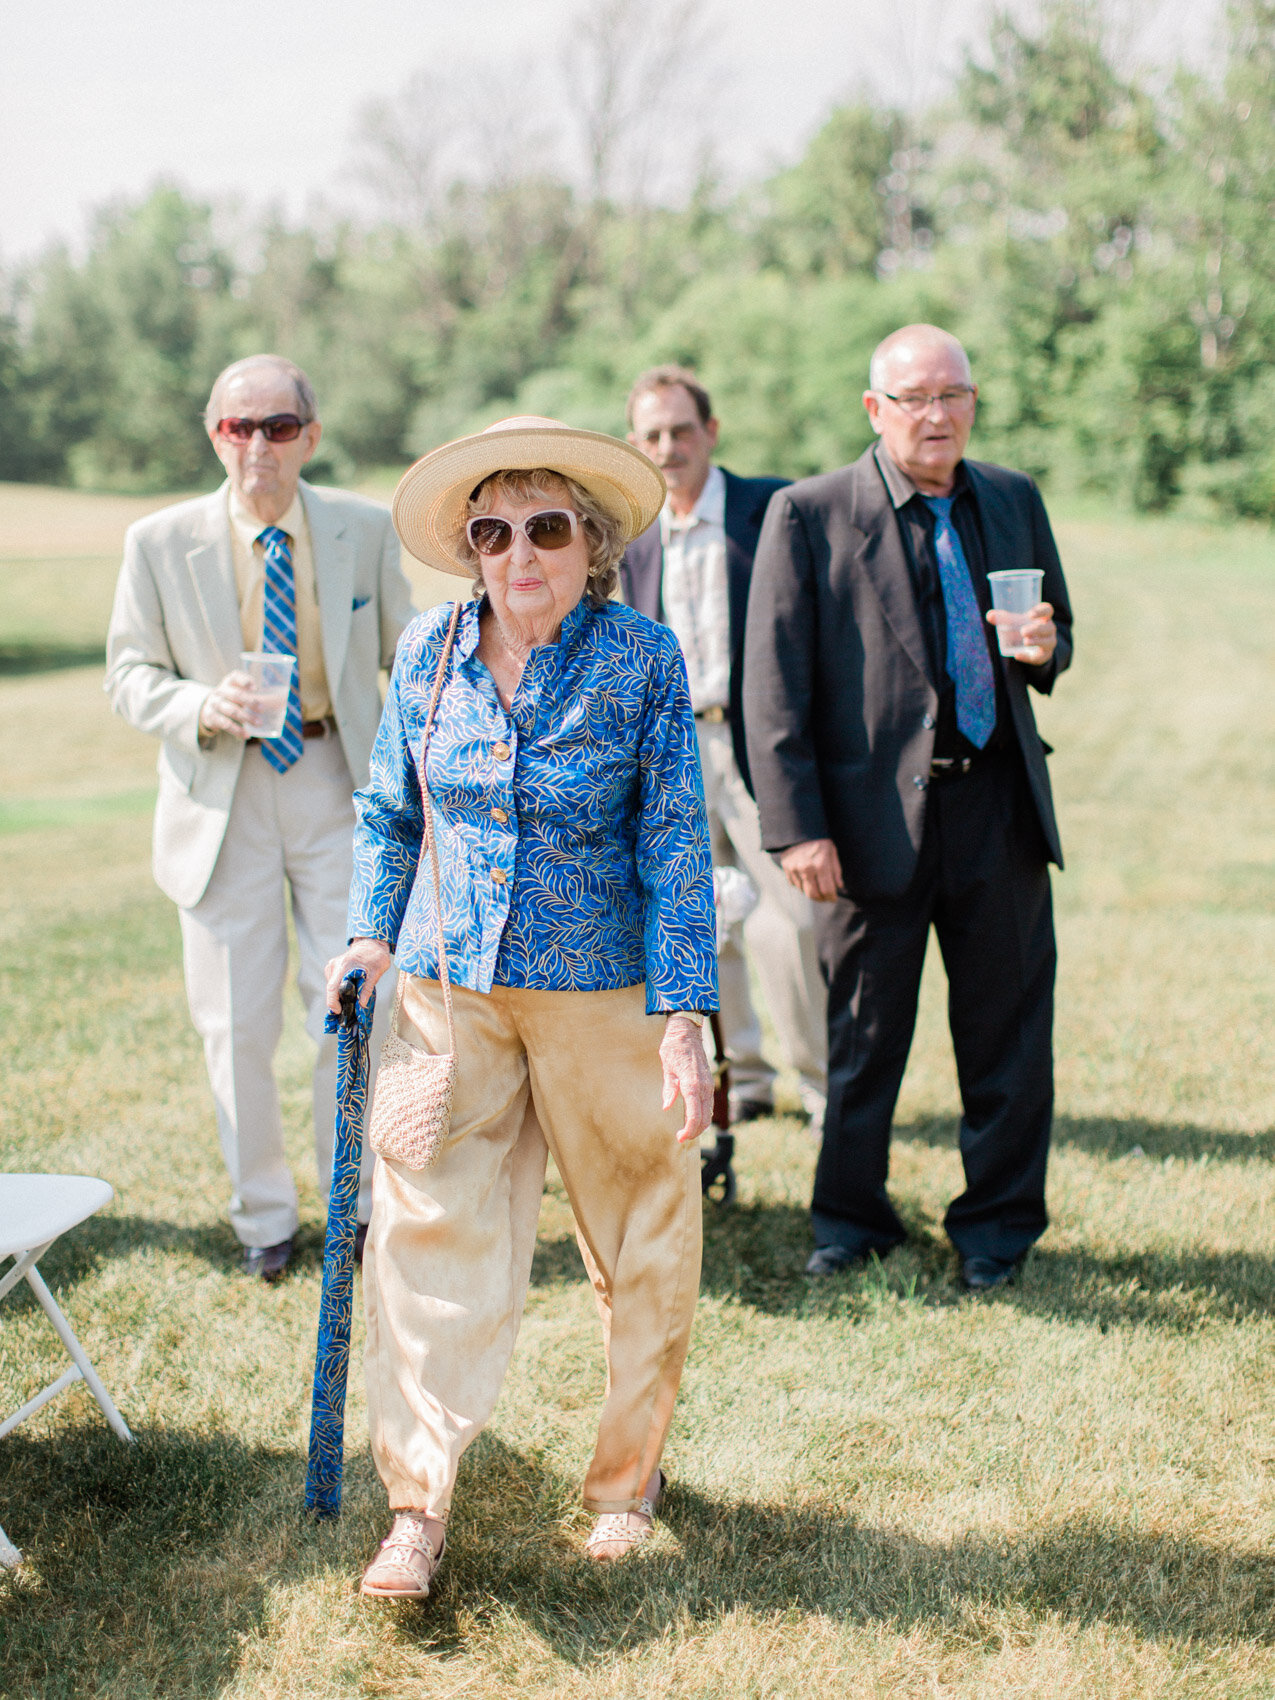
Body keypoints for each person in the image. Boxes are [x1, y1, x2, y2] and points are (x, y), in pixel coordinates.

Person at [324, 415, 717, 1600]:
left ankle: (626, 1481)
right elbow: (390, 812)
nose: (517, 552)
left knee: (642, 1233)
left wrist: (688, 1012)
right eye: (491, 532)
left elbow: (675, 842)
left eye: (544, 527)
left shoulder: (642, 659)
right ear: (471, 551)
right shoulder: (430, 654)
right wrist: (368, 931)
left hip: (605, 995)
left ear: (589, 543)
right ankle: (417, 1505)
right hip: (454, 994)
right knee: (426, 1234)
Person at [744, 325, 1073, 1292]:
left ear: (972, 402)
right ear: (874, 409)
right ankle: (850, 1221)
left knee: (1008, 1039)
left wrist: (1045, 646)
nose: (935, 417)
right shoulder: (808, 515)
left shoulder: (1010, 498)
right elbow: (773, 686)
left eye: (952, 396)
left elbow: (1055, 641)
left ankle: (997, 1233)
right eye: (913, 399)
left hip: (997, 811)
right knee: (862, 1039)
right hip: (863, 828)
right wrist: (796, 826)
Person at [105, 354, 414, 1281]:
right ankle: (264, 1222)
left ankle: (353, 1211)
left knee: (357, 1005)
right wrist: (198, 704)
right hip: (220, 790)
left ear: (310, 436)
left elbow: (414, 655)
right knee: (234, 1025)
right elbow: (128, 676)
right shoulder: (156, 542)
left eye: (279, 427)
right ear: (214, 434)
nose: (258, 446)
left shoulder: (363, 527)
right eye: (240, 427)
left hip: (335, 779)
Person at [622, 365, 826, 1124]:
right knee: (702, 919)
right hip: (673, 748)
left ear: (710, 431)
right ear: (635, 445)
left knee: (791, 921)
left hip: (760, 742)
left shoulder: (771, 507)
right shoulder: (633, 529)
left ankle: (821, 1085)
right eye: (652, 435)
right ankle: (741, 1078)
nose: (668, 447)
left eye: (680, 430)